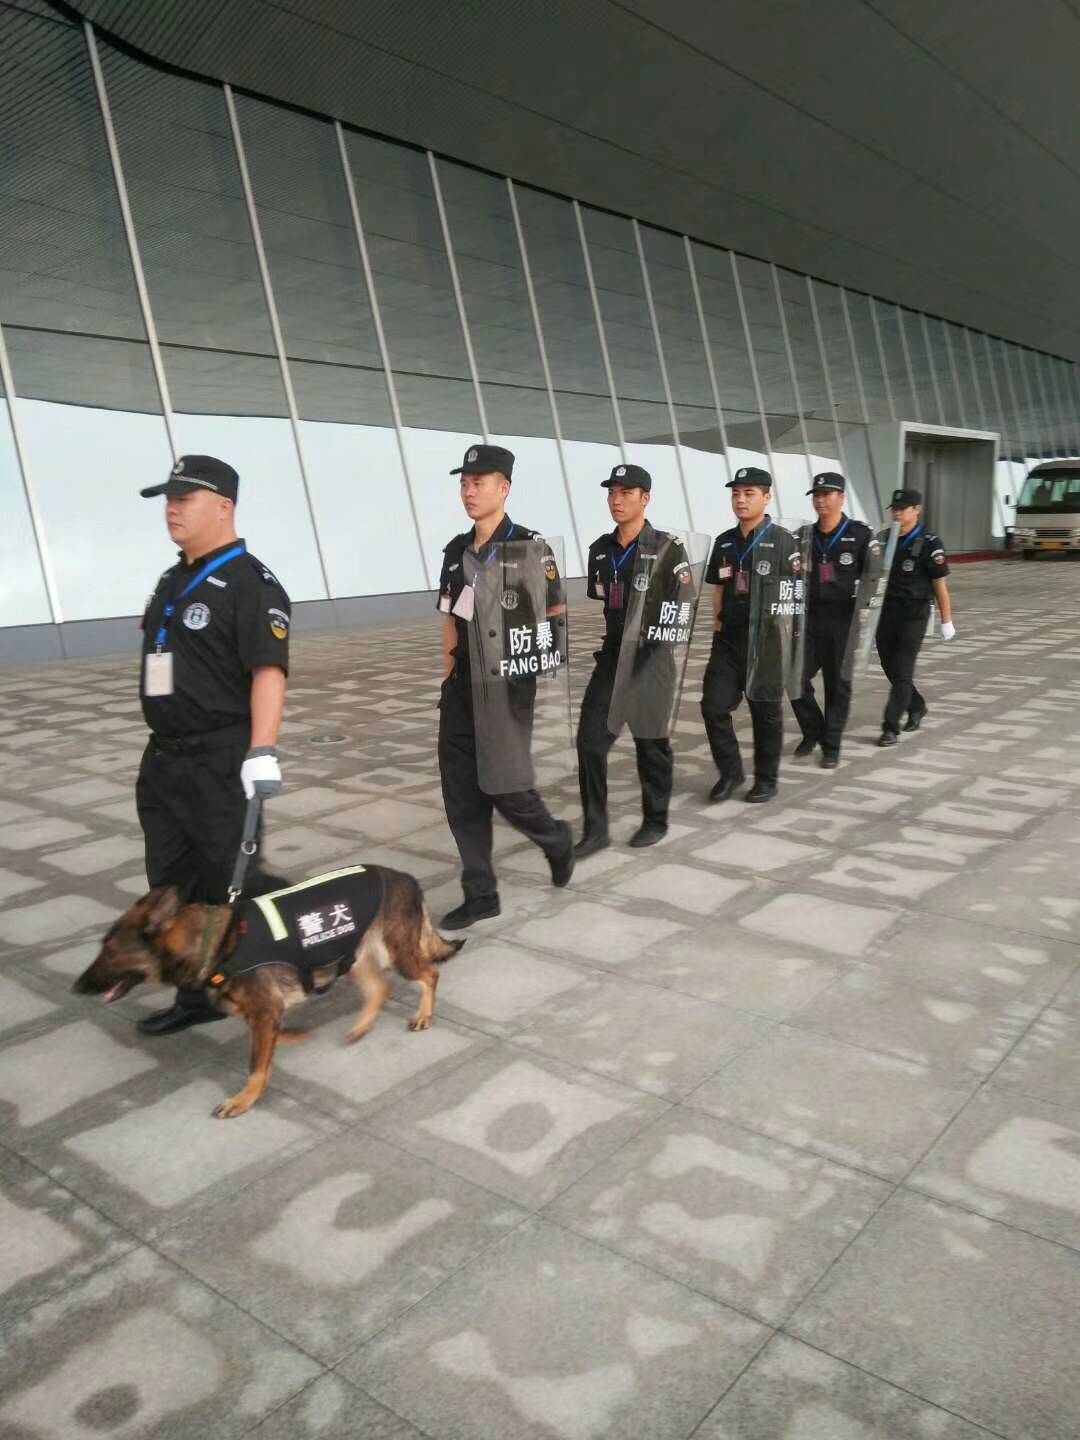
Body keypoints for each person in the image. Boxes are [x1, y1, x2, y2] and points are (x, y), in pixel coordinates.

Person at [135, 454, 290, 1036]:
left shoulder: (252, 584)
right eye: (168, 500)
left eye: (184, 499)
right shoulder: (172, 579)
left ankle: (282, 971)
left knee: (231, 883)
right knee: (170, 885)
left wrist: (262, 750)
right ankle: (195, 994)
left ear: (224, 507)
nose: (171, 510)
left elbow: (268, 671)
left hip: (220, 760)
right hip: (165, 759)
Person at [436, 443, 574, 929]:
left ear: (504, 488)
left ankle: (555, 839)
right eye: (464, 483)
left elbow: (554, 616)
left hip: (507, 687)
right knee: (461, 793)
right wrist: (448, 676)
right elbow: (449, 618)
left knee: (506, 786)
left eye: (479, 483)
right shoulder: (456, 551)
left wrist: (535, 668)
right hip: (462, 690)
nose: (469, 492)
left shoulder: (529, 548)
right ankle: (481, 893)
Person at [576, 464, 688, 857]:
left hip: (653, 657)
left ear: (646, 498)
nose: (616, 500)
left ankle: (655, 819)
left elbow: (682, 604)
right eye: (612, 493)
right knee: (590, 742)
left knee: (651, 744)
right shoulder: (600, 550)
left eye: (626, 493)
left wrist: (655, 646)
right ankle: (595, 830)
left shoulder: (668, 548)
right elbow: (604, 599)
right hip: (612, 658)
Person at [701, 466, 802, 804]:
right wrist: (717, 628)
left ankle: (766, 779)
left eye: (749, 493)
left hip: (768, 642)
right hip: (728, 642)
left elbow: (797, 595)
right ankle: (730, 773)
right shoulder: (724, 542)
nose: (740, 500)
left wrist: (791, 642)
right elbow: (718, 589)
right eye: (736, 494)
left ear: (767, 497)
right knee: (713, 706)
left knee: (765, 713)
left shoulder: (784, 541)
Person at [790, 472, 878, 769]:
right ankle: (813, 729)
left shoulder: (860, 535)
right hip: (809, 620)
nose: (820, 500)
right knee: (793, 678)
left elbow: (874, 576)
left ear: (841, 497)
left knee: (837, 685)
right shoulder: (802, 536)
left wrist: (866, 610)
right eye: (816, 495)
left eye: (826, 494)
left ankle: (832, 745)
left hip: (844, 621)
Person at [875, 486, 955, 747]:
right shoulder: (884, 539)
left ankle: (890, 727)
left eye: (903, 509)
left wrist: (947, 621)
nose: (897, 514)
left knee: (902, 669)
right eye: (895, 509)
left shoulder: (930, 543)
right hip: (887, 612)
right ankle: (917, 704)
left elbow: (940, 585)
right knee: (890, 666)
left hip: (914, 614)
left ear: (917, 510)